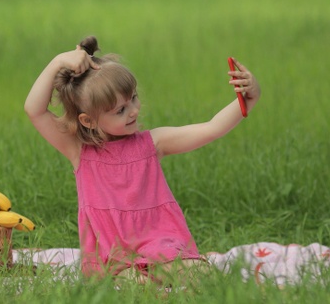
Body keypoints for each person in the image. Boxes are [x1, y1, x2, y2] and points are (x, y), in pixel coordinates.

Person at [24, 36, 261, 287]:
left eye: (133, 99)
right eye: (120, 110)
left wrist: (247, 99)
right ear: (88, 121)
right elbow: (34, 110)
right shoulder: (79, 151)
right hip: (112, 259)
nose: (134, 110)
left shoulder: (153, 143)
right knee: (138, 289)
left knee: (205, 279)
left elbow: (211, 128)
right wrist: (57, 62)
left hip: (160, 246)